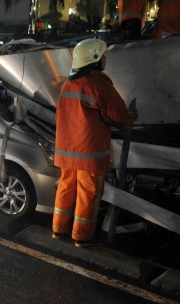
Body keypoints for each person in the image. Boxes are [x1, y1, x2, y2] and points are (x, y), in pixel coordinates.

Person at [52, 39, 138, 247]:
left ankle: (58, 230)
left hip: (66, 152)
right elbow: (116, 115)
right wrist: (129, 118)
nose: (106, 60)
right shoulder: (99, 84)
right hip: (89, 153)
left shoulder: (67, 84)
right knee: (88, 195)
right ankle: (82, 237)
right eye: (103, 56)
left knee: (65, 189)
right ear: (94, 60)